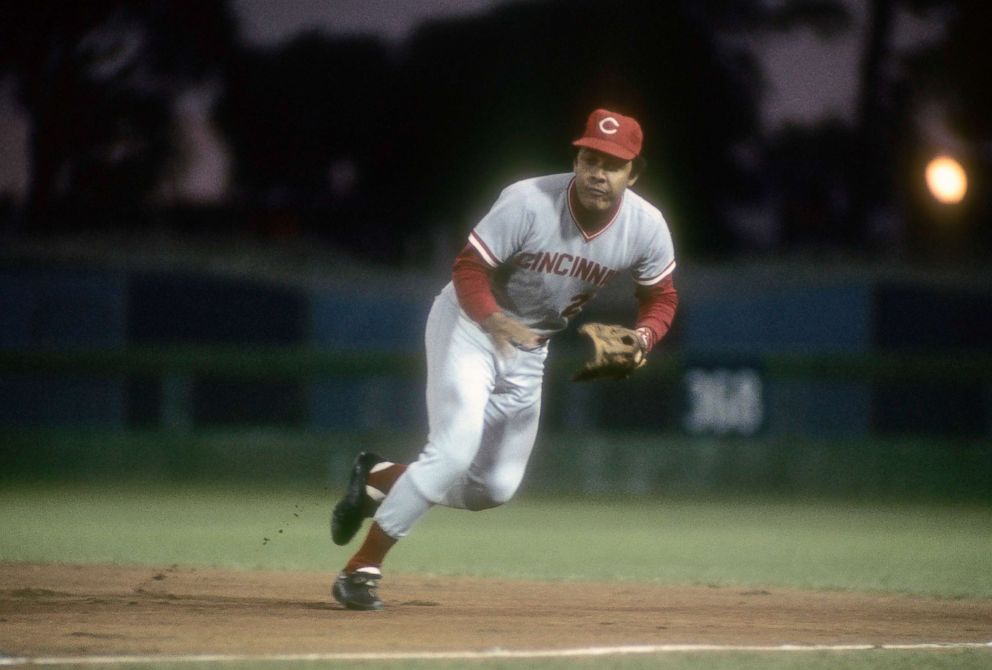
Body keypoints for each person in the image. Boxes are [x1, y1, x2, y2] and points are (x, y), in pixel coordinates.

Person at [329, 108, 679, 610]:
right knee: (452, 450)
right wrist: (492, 319)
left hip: (532, 346)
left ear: (634, 172)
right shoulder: (527, 201)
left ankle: (378, 478)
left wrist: (644, 338)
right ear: (576, 159)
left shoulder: (646, 227)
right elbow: (469, 268)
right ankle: (360, 569)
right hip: (471, 326)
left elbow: (661, 297)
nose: (598, 172)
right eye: (589, 158)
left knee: (493, 488)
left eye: (613, 163)